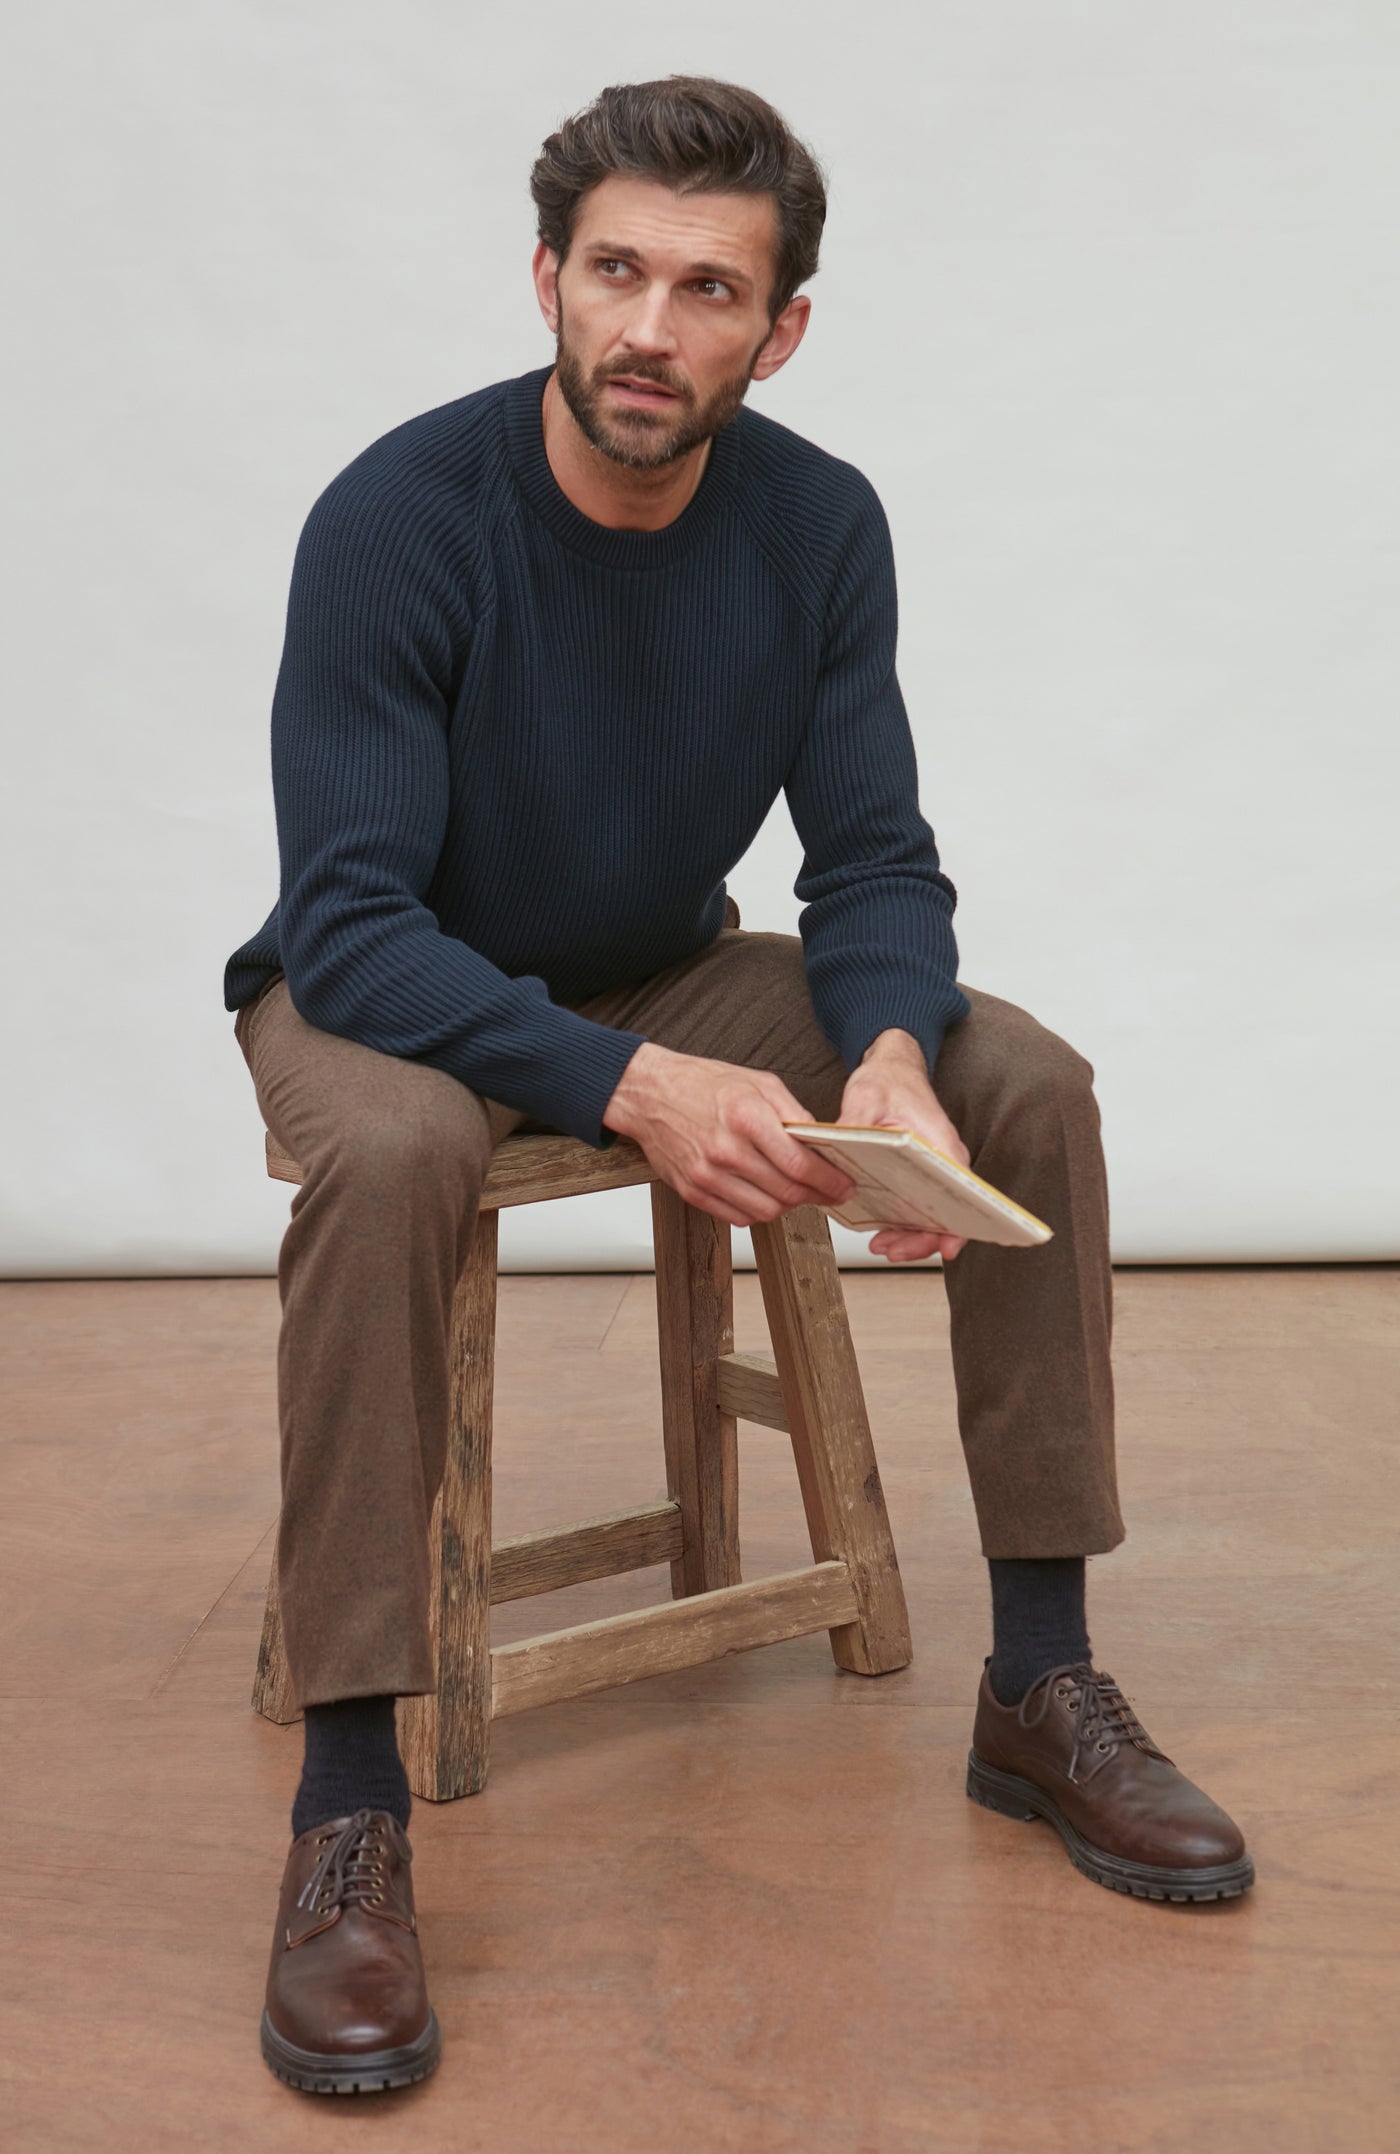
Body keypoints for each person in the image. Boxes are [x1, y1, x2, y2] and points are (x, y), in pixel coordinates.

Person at [227, 74, 1253, 2097]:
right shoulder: (397, 519)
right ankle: (350, 1809)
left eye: (708, 290)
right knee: (398, 1153)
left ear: (776, 331)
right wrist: (632, 1090)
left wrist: (884, 1039)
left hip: (657, 957)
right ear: (546, 279)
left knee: (1020, 1079)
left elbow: (867, 857)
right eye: (614, 272)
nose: (649, 327)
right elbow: (347, 923)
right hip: (387, 990)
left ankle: (1038, 1683)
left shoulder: (815, 523)